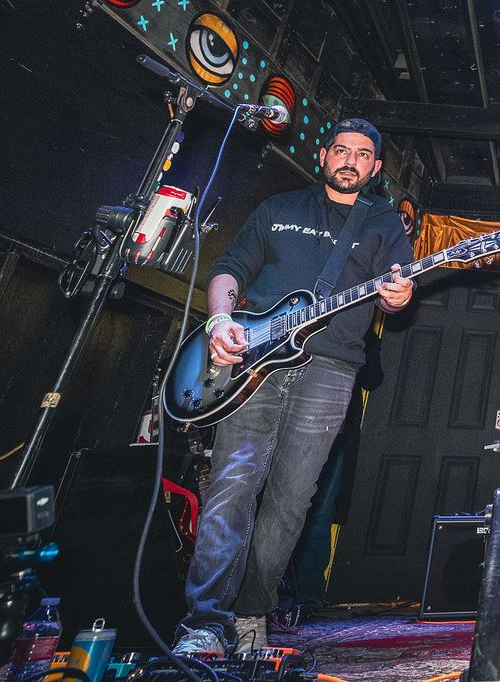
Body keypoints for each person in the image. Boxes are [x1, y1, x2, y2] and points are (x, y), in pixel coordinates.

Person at [173, 118, 415, 654]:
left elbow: (395, 289)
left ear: (375, 168)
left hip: (332, 370)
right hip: (252, 366)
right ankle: (204, 622)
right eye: (341, 150)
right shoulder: (278, 208)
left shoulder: (382, 223)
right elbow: (230, 268)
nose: (350, 161)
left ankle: (250, 615)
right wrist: (219, 321)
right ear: (323, 156)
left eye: (363, 155)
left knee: (290, 501)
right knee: (232, 487)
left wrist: (397, 298)